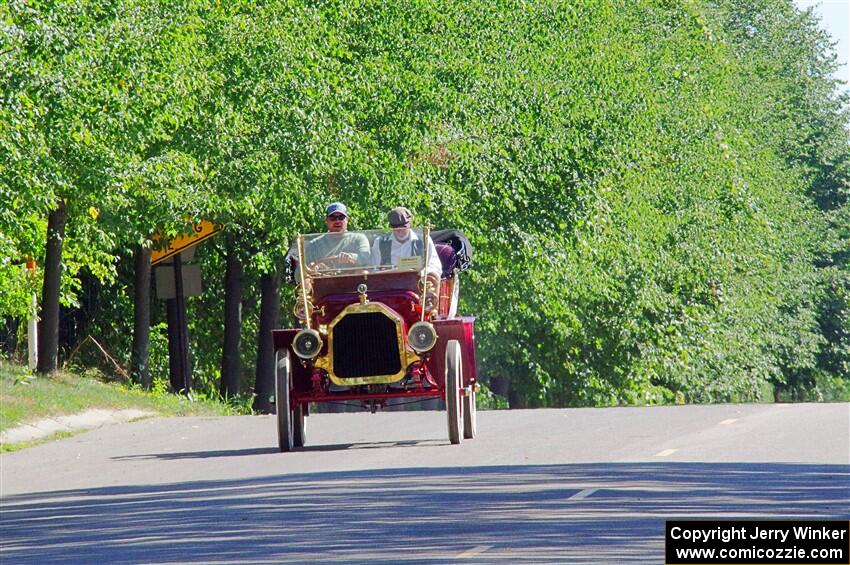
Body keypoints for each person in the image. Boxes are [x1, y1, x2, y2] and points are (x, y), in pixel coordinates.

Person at [370, 207, 442, 281]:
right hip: (388, 286)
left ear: (410, 225)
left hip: (416, 286)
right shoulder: (380, 243)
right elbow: (373, 270)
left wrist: (421, 273)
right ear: (391, 227)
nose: (400, 231)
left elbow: (435, 267)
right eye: (396, 228)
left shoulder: (424, 240)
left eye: (403, 227)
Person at [304, 202, 370, 269]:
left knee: (363, 272)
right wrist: (310, 267)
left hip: (353, 279)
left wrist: (350, 257)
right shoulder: (314, 244)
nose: (337, 221)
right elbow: (298, 273)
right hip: (325, 279)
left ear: (347, 220)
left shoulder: (359, 238)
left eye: (341, 217)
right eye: (333, 218)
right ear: (326, 220)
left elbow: (366, 259)